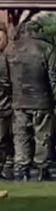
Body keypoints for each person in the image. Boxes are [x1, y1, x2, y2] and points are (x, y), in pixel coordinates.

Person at [0, 16, 56, 181]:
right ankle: (42, 169)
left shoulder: (10, 50)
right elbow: (55, 78)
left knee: (21, 136)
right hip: (42, 101)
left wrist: (13, 95)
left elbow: (4, 80)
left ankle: (22, 169)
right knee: (42, 136)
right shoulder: (47, 49)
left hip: (19, 101)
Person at [0, 25, 12, 181]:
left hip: (4, 106)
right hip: (3, 106)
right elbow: (6, 83)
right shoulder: (3, 59)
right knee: (2, 140)